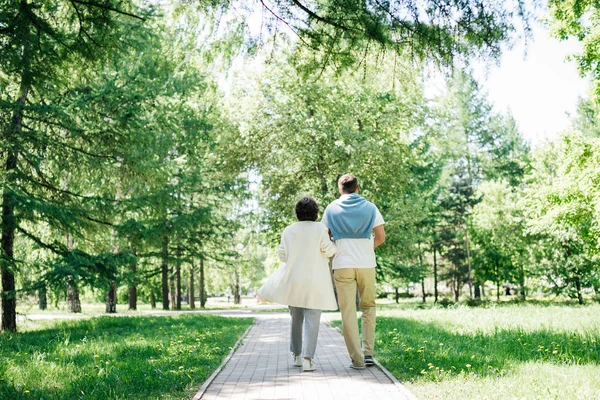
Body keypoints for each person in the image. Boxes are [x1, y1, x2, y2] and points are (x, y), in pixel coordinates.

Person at [258, 197, 337, 372]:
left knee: (296, 319)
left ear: (297, 213)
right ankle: (309, 359)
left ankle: (297, 355)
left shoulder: (289, 230)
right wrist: (332, 242)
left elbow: (282, 256)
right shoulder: (321, 229)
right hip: (315, 282)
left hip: (293, 280)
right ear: (315, 212)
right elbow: (330, 251)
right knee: (313, 321)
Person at [321, 174, 385, 369]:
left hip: (342, 264)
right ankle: (369, 354)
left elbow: (323, 238)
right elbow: (380, 237)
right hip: (366, 263)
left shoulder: (331, 209)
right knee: (368, 307)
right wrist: (364, 248)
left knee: (348, 312)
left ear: (340, 190)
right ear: (358, 188)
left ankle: (357, 360)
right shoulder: (371, 207)